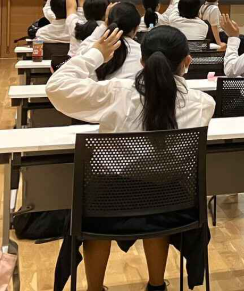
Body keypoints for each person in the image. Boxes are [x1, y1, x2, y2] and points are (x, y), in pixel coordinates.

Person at [45, 26, 215, 291]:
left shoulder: (117, 93)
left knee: (97, 206)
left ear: (142, 61)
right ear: (188, 61)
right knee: (155, 199)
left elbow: (56, 87)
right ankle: (157, 285)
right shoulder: (203, 103)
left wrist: (95, 54)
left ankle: (94, 289)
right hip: (172, 206)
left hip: (106, 206)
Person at [82, 2, 143, 81]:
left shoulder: (92, 48)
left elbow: (79, 54)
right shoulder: (142, 52)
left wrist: (105, 24)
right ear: (136, 29)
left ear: (108, 22)